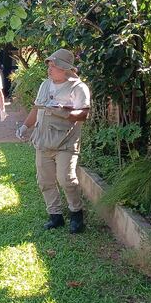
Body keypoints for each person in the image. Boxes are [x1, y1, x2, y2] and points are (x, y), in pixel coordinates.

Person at [16, 48, 91, 234]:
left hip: (66, 142)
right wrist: (25, 127)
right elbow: (36, 109)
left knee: (66, 179)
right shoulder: (44, 85)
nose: (50, 69)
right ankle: (55, 216)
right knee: (44, 180)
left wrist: (64, 112)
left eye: (54, 65)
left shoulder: (78, 87)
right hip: (43, 140)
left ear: (66, 69)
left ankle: (76, 214)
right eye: (49, 65)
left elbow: (84, 114)